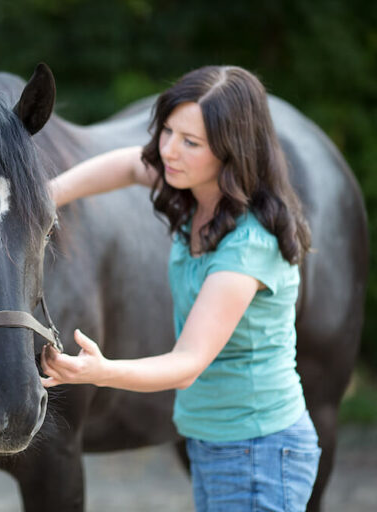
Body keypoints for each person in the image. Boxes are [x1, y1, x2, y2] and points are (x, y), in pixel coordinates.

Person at [41, 65, 321, 511]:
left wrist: (100, 371)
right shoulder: (196, 194)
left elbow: (188, 363)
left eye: (190, 143)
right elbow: (131, 166)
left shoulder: (248, 246)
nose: (169, 150)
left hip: (259, 450)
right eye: (168, 131)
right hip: (215, 440)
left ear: (232, 152)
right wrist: (44, 195)